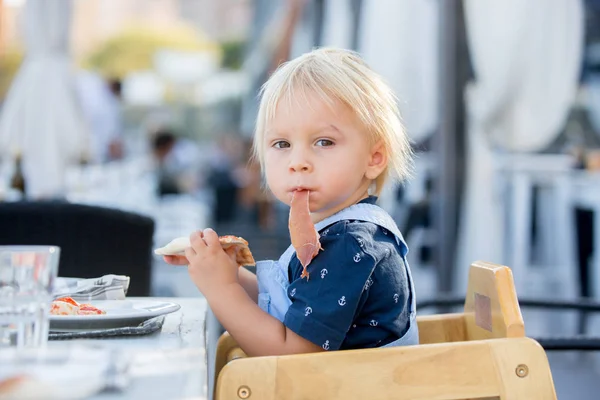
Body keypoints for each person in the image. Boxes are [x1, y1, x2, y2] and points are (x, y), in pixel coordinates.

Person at [164, 47, 417, 356]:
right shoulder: (332, 231)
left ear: (374, 158)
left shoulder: (350, 245)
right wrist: (226, 272)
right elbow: (294, 306)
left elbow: (292, 355)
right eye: (281, 144)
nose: (298, 161)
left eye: (324, 142)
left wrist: (221, 290)